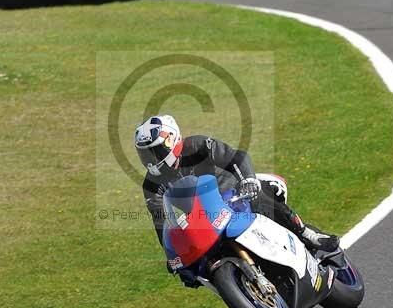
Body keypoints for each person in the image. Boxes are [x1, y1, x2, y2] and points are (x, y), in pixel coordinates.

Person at [134, 114, 339, 286]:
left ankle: (307, 234)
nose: (151, 158)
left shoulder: (197, 145)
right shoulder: (151, 184)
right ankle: (240, 287)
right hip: (206, 217)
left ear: (172, 139)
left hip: (237, 194)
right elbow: (161, 222)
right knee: (192, 267)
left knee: (261, 199)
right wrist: (172, 255)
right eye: (145, 154)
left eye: (155, 150)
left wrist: (248, 180)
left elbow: (235, 157)